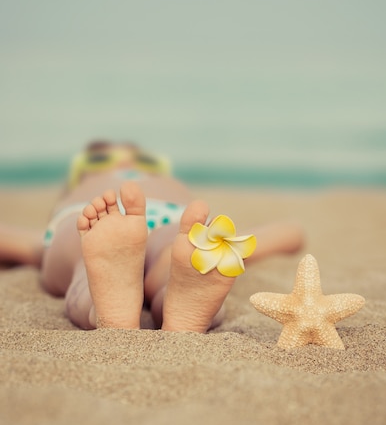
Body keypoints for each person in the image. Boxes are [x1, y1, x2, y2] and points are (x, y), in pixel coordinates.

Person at [0, 141, 304, 332]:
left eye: (145, 162)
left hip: (161, 220)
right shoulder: (81, 208)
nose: (123, 164)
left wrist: (276, 239)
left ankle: (120, 305)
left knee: (179, 249)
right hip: (93, 221)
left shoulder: (90, 201)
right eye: (99, 161)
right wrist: (236, 249)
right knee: (91, 251)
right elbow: (290, 233)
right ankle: (139, 295)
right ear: (75, 181)